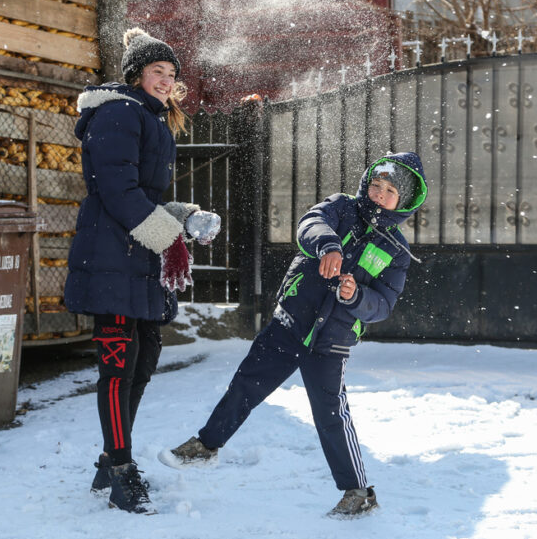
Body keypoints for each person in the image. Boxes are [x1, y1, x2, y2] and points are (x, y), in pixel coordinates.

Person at [158, 152, 427, 518]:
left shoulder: (396, 250)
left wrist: (356, 296)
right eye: (376, 184)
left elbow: (383, 304)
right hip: (290, 323)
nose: (379, 194)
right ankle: (206, 446)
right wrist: (328, 245)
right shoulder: (342, 208)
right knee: (246, 384)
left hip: (331, 341)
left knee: (331, 415)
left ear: (405, 200)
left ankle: (359, 493)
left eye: (390, 191)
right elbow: (310, 224)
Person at [64, 28, 222, 513]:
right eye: (158, 71)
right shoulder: (119, 113)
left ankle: (109, 458)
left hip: (138, 256)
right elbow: (116, 190)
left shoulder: (149, 117)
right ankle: (120, 468)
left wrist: (183, 218)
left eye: (172, 73)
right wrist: (166, 234)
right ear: (136, 74)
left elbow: (143, 195)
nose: (166, 80)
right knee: (118, 366)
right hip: (112, 255)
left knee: (144, 357)